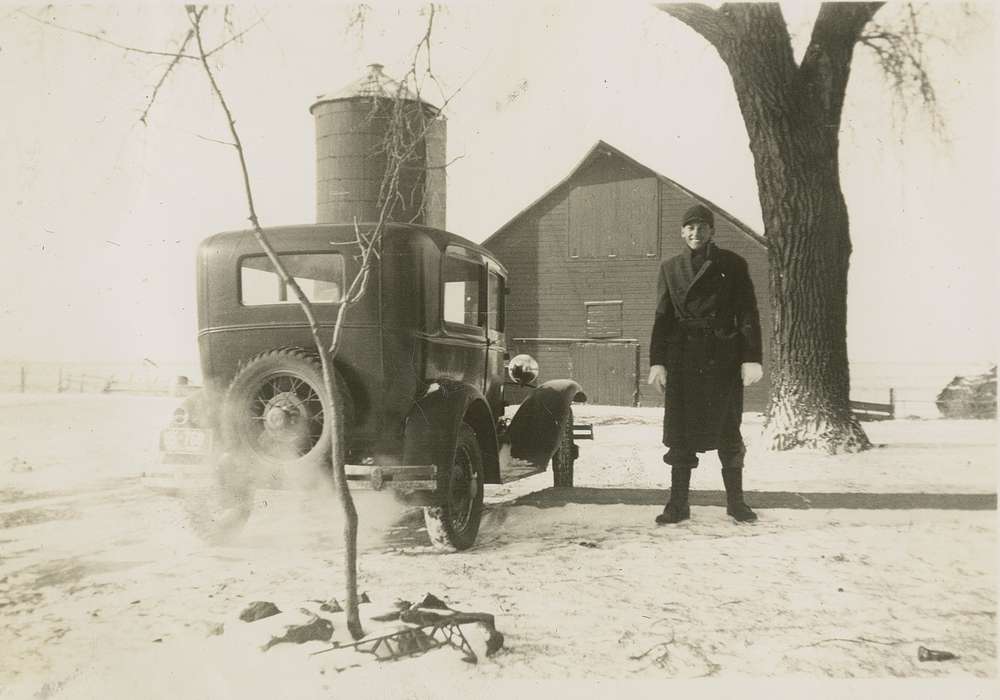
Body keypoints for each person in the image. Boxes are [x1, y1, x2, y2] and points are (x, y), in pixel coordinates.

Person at [647, 203, 763, 524]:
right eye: (690, 227)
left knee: (728, 430)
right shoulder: (670, 268)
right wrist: (658, 362)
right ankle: (677, 505)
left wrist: (751, 357)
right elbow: (662, 319)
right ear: (682, 232)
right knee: (681, 434)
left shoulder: (733, 264)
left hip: (721, 359)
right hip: (683, 359)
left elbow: (748, 313)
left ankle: (736, 503)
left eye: (702, 227)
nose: (695, 233)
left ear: (712, 231)